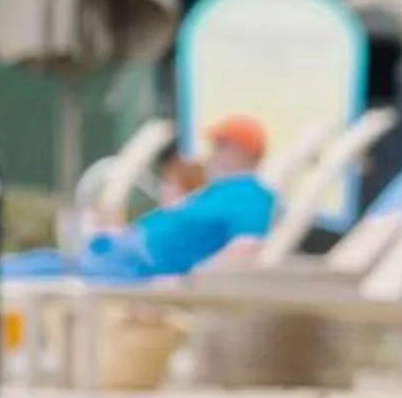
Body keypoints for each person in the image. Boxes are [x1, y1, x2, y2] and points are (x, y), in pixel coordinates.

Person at [81, 113, 274, 279]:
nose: (213, 153)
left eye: (220, 146)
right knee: (61, 264)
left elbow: (246, 247)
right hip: (129, 254)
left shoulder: (252, 197)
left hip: (141, 265)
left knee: (56, 271)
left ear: (243, 153)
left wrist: (189, 281)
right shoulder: (219, 191)